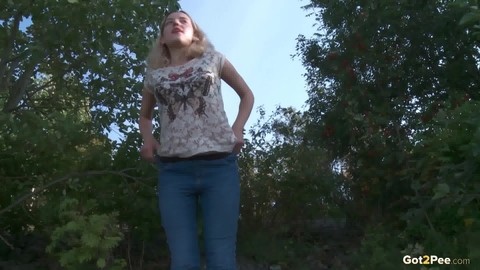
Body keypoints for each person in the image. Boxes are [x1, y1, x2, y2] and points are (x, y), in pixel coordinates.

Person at [139, 10, 254, 270]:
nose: (176, 24)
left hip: (219, 167)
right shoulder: (154, 76)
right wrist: (148, 139)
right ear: (161, 39)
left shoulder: (214, 60)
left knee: (222, 256)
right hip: (173, 173)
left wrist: (238, 128)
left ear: (195, 34)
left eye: (183, 21)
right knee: (182, 259)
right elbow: (144, 116)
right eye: (169, 22)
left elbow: (247, 95)